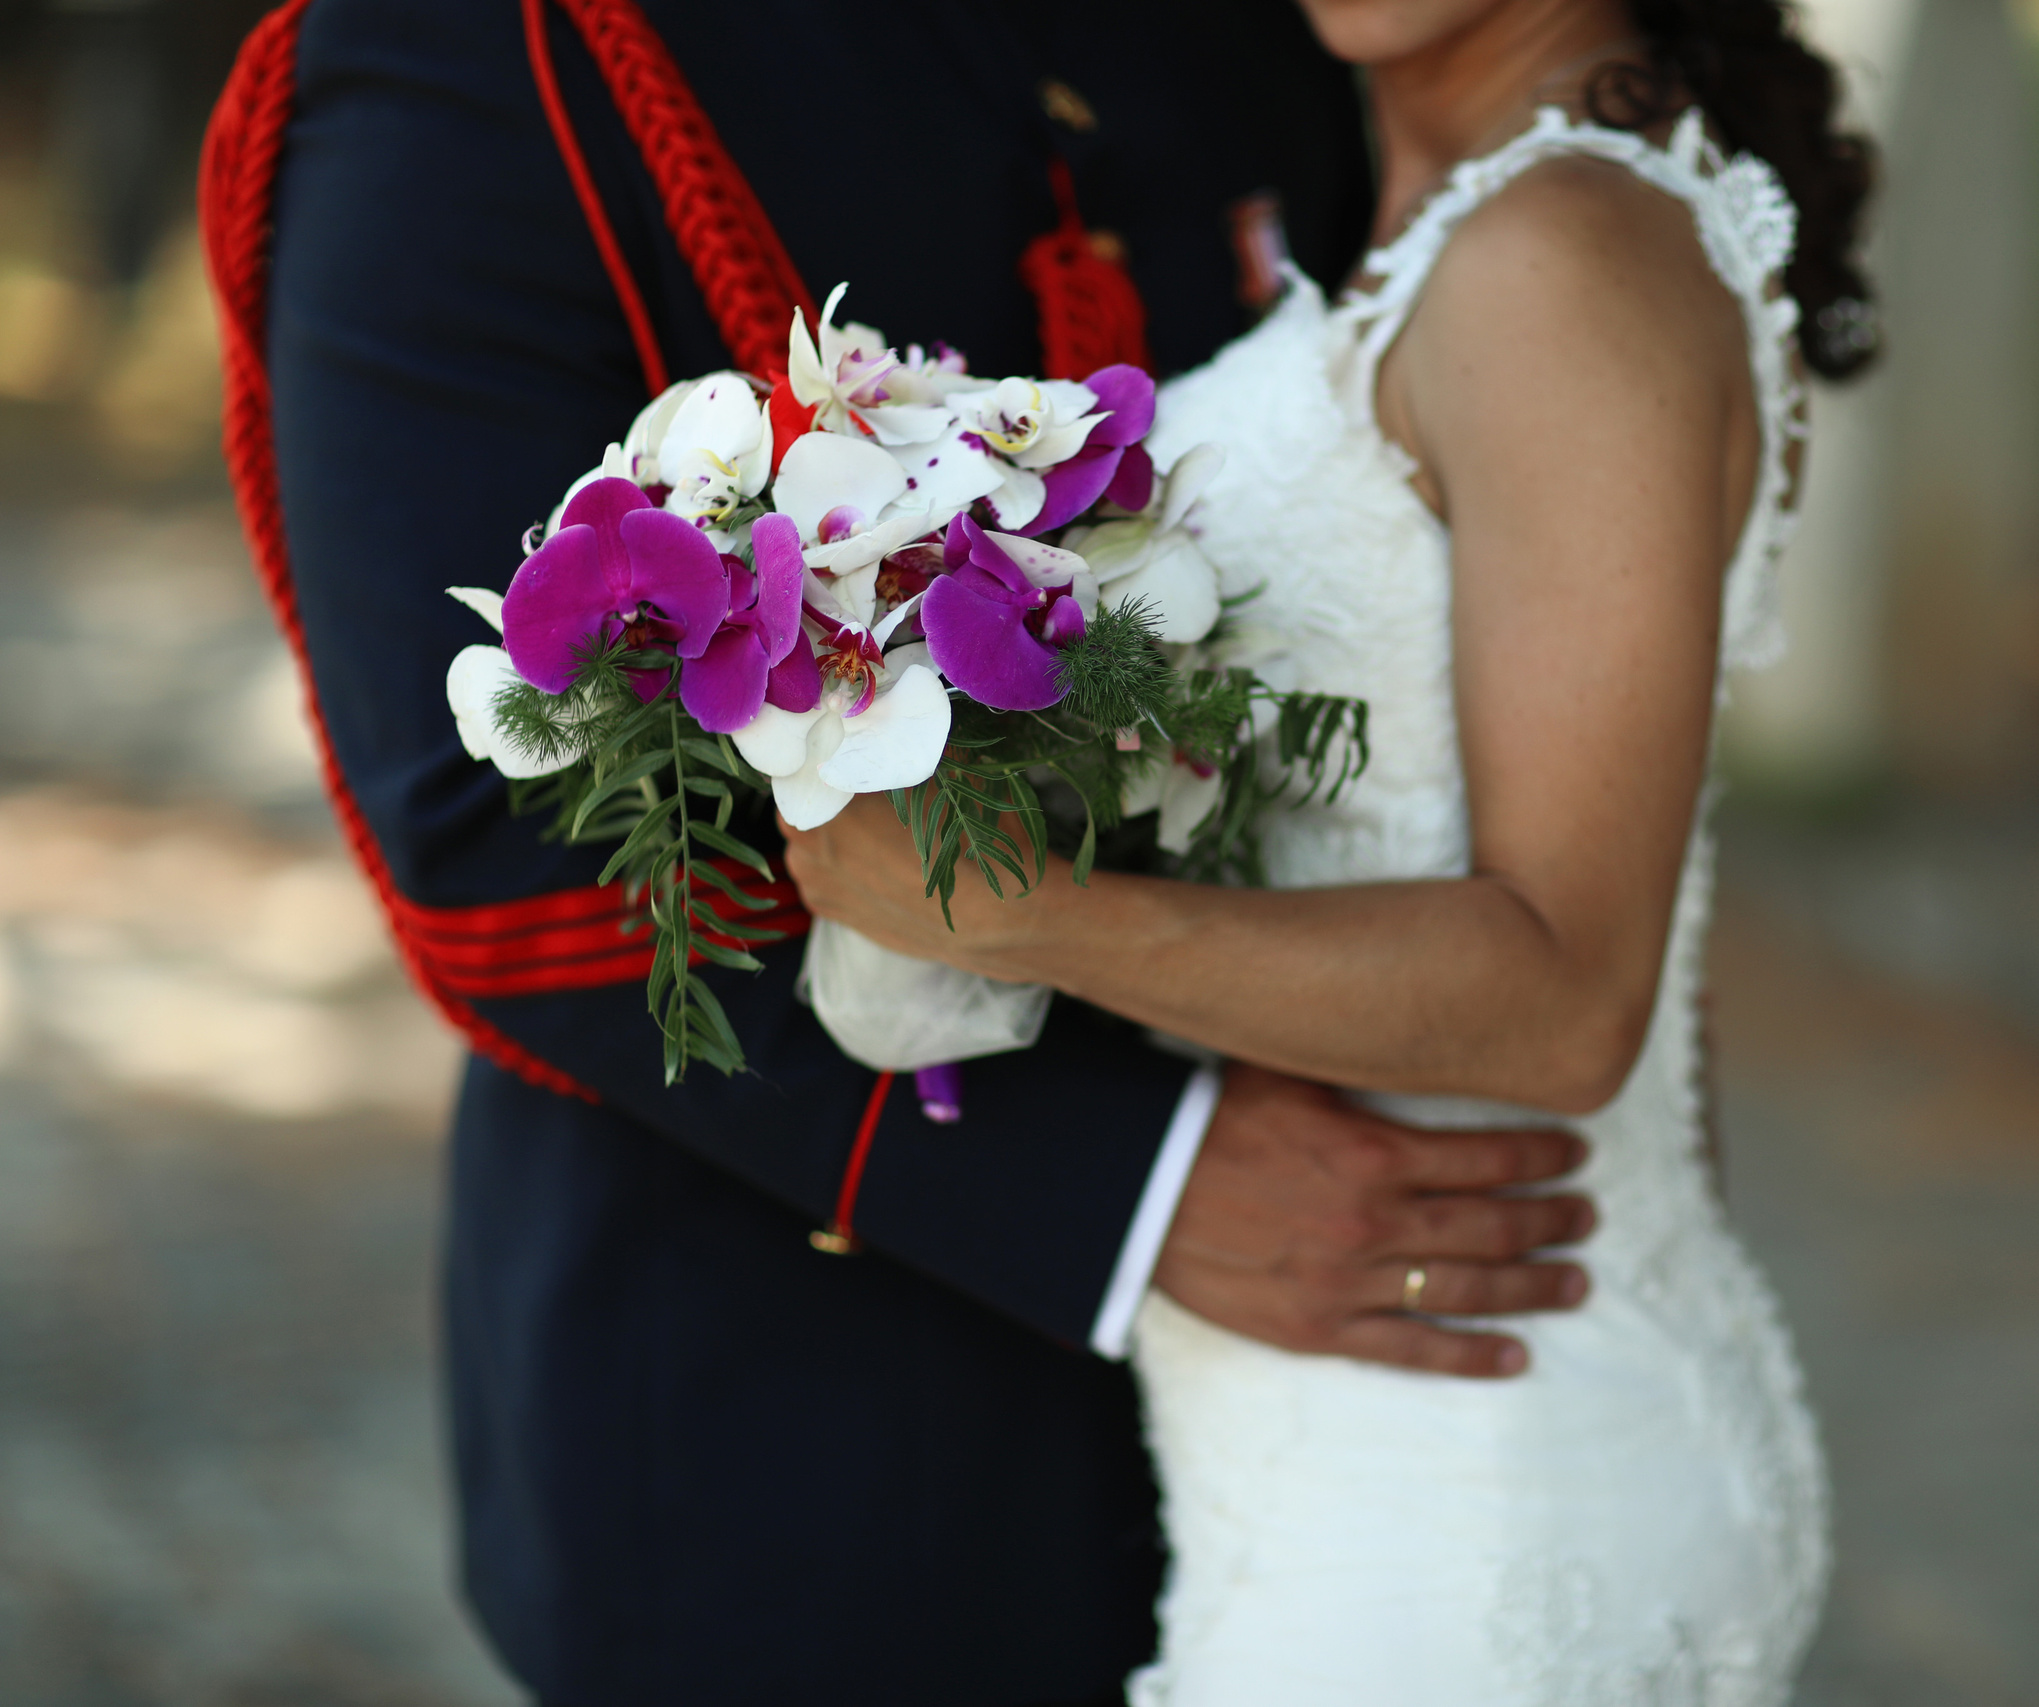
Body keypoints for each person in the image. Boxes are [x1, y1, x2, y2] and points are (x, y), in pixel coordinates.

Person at [245, 0, 1598, 1700]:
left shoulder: (1276, 27)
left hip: (1347, 1401)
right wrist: (1124, 1185)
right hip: (808, 1417)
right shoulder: (484, 52)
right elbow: (488, 833)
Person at [780, 0, 1879, 1698]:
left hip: (1458, 1487)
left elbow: (1571, 996)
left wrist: (1010, 913)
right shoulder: (1469, 198)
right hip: (1463, 1395)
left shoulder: (1556, 256)